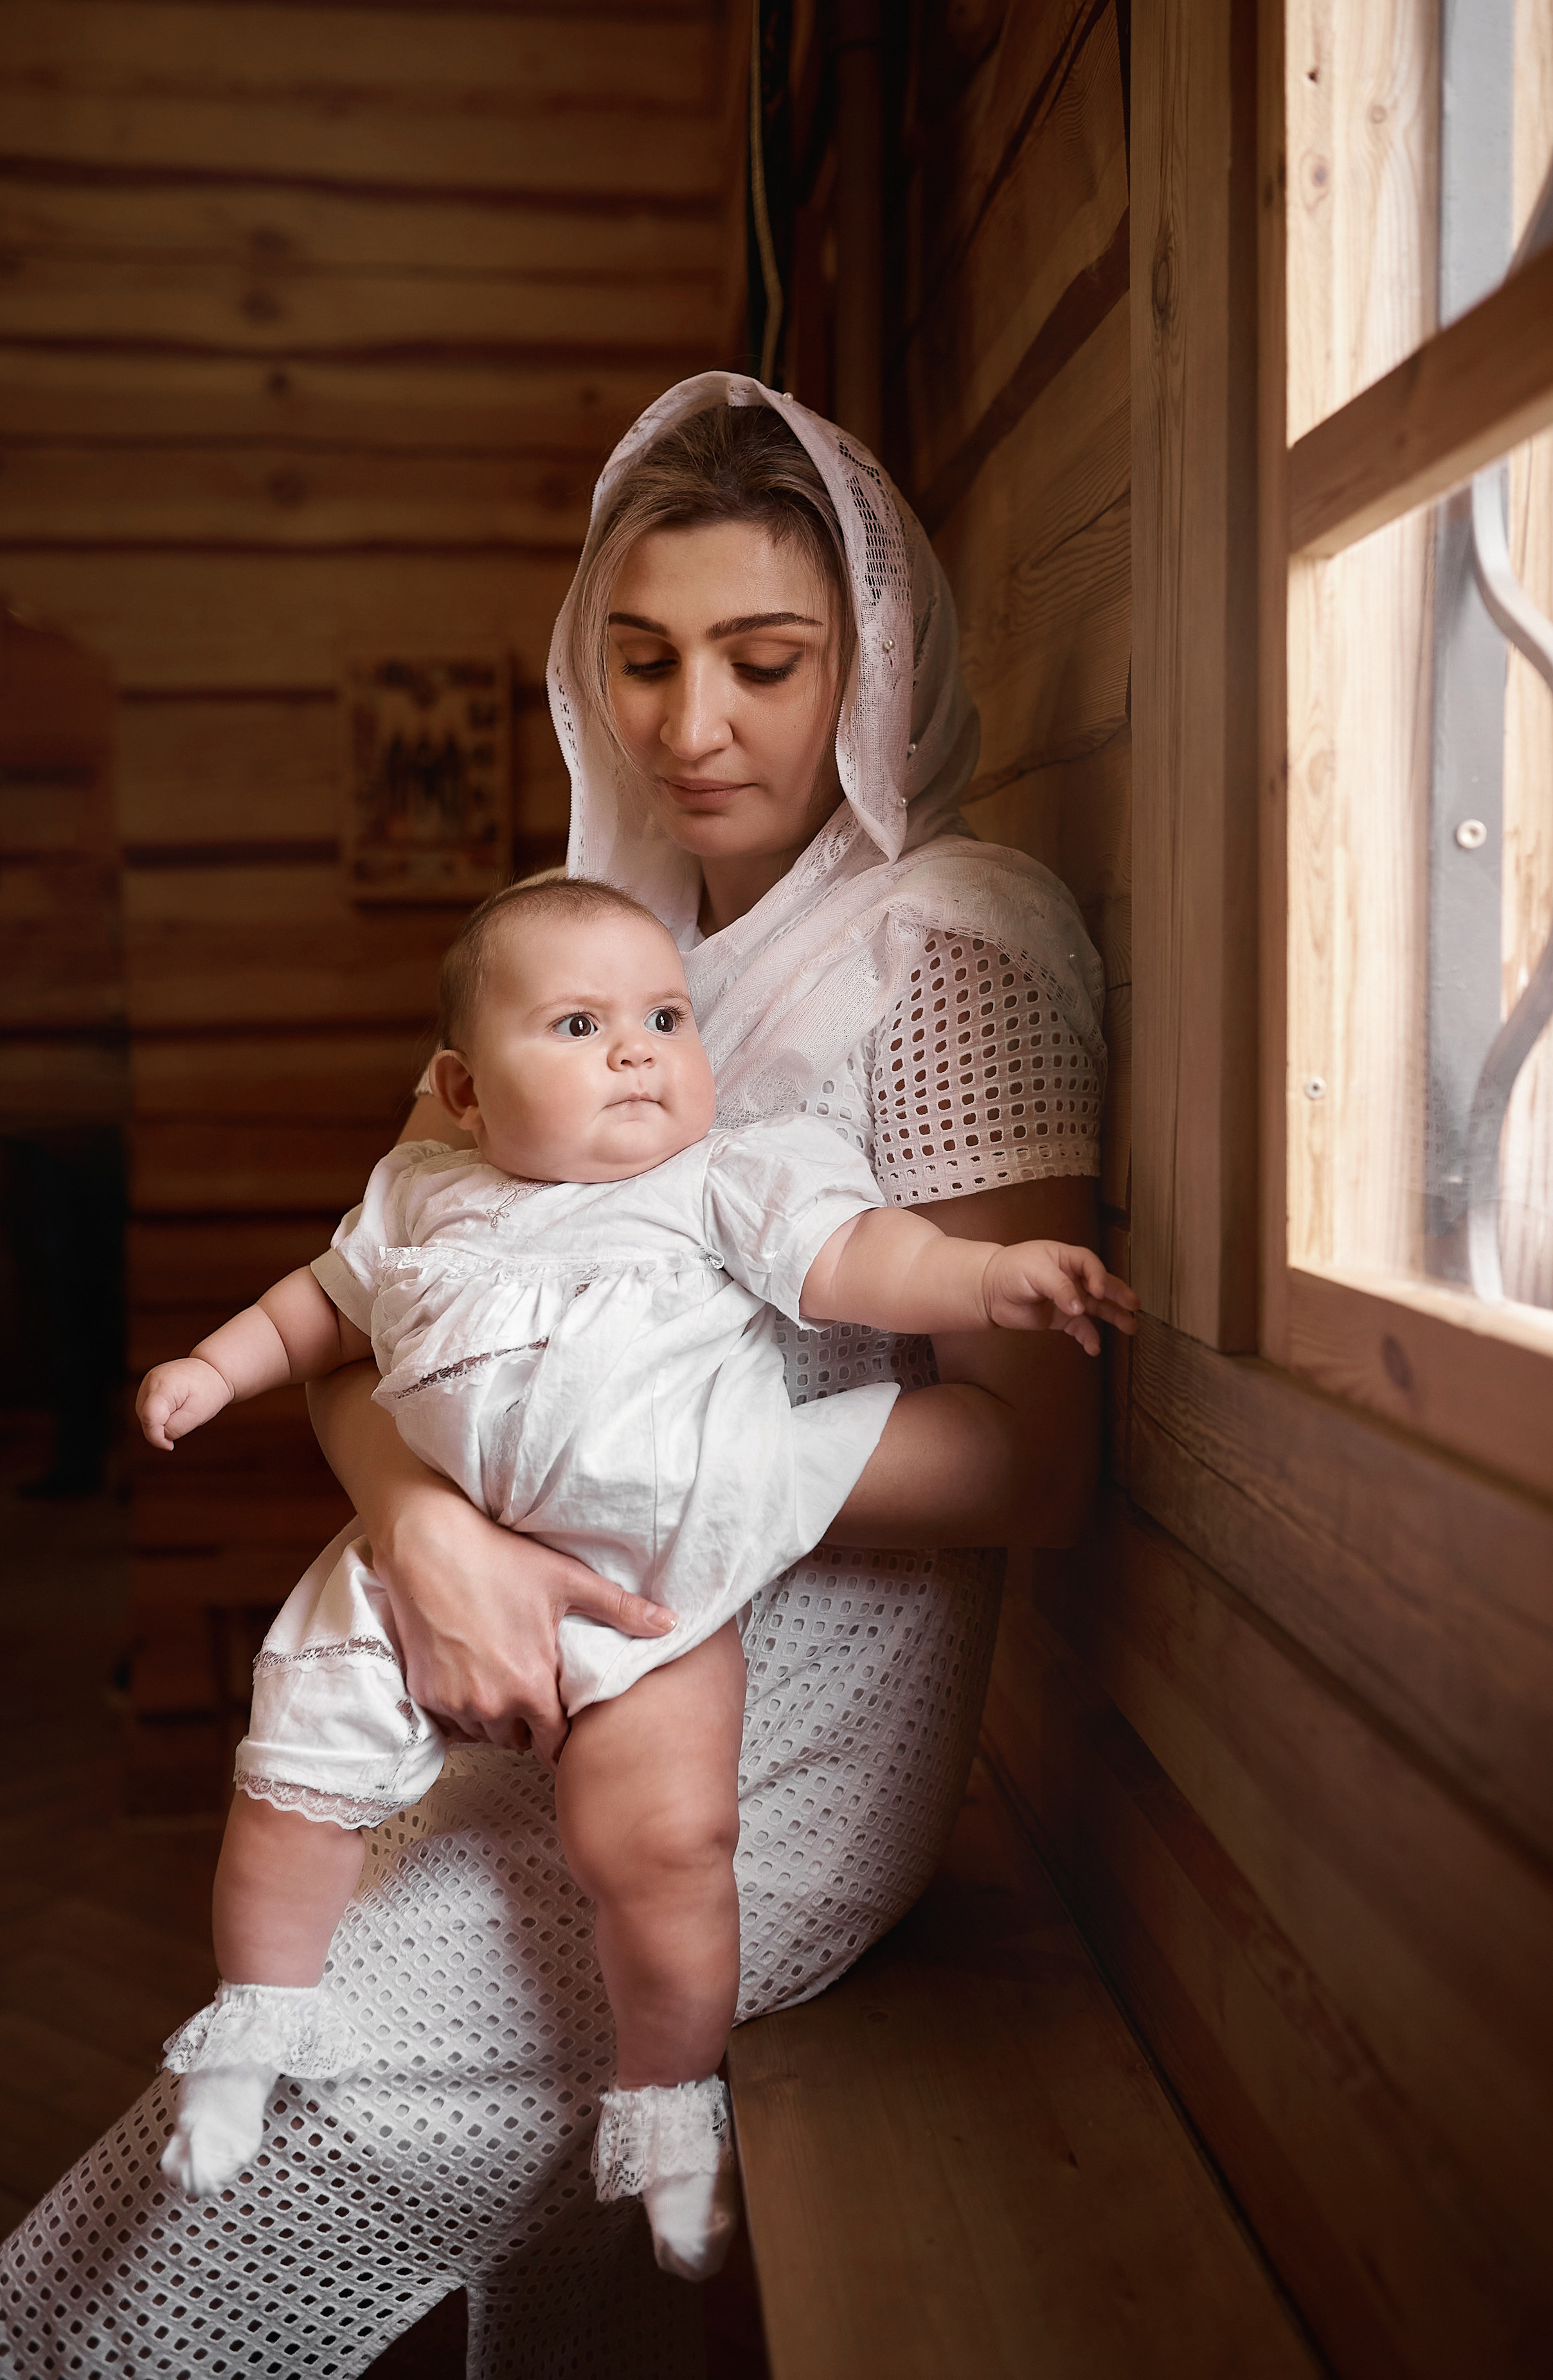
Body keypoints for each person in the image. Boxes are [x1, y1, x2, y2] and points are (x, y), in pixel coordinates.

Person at [1, 380, 1115, 2377]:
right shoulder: (599, 951)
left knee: (204, 2213)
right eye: (646, 658)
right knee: (417, 2179)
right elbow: (392, 1303)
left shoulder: (948, 948)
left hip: (775, 1749)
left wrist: (625, 1479)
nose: (695, 723)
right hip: (517, 1681)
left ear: (873, 665)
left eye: (766, 663)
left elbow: (1031, 1463)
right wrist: (433, 1533)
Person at [133, 875, 1126, 2277]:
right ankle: (258, 2016)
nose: (637, 1051)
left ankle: (662, 2104)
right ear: (465, 1093)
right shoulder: (425, 1191)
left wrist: (987, 1278)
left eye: (664, 1017)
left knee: (660, 1845)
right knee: (294, 1781)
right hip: (411, 1571)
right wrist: (211, 1369)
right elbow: (319, 1307)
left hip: (651, 1587)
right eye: (583, 1024)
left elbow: (859, 1258)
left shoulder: (725, 1174)